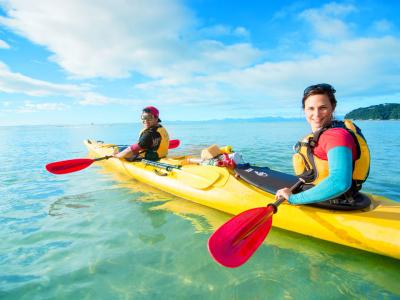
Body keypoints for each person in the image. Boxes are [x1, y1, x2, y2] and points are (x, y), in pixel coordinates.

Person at [275, 83, 370, 207]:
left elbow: (339, 183)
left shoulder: (336, 136)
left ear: (333, 107)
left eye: (323, 107)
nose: (317, 114)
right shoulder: (324, 133)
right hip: (334, 195)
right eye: (311, 108)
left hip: (335, 200)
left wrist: (293, 198)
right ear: (304, 110)